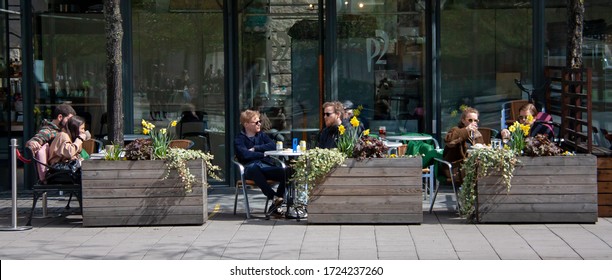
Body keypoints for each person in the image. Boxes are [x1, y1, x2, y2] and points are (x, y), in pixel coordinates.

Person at [234, 109, 287, 216]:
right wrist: (263, 154)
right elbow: (245, 155)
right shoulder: (239, 139)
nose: (259, 124)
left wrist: (255, 148)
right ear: (246, 124)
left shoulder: (261, 135)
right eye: (256, 122)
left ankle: (275, 205)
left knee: (287, 172)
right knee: (254, 168)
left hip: (265, 167)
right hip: (249, 169)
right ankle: (273, 197)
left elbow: (272, 145)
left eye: (259, 122)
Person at [442, 106, 484, 183]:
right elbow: (448, 141)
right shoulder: (456, 130)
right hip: (454, 167)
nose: (473, 123)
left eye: (475, 120)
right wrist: (466, 130)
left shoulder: (477, 134)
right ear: (463, 120)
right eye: (470, 120)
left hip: (471, 165)